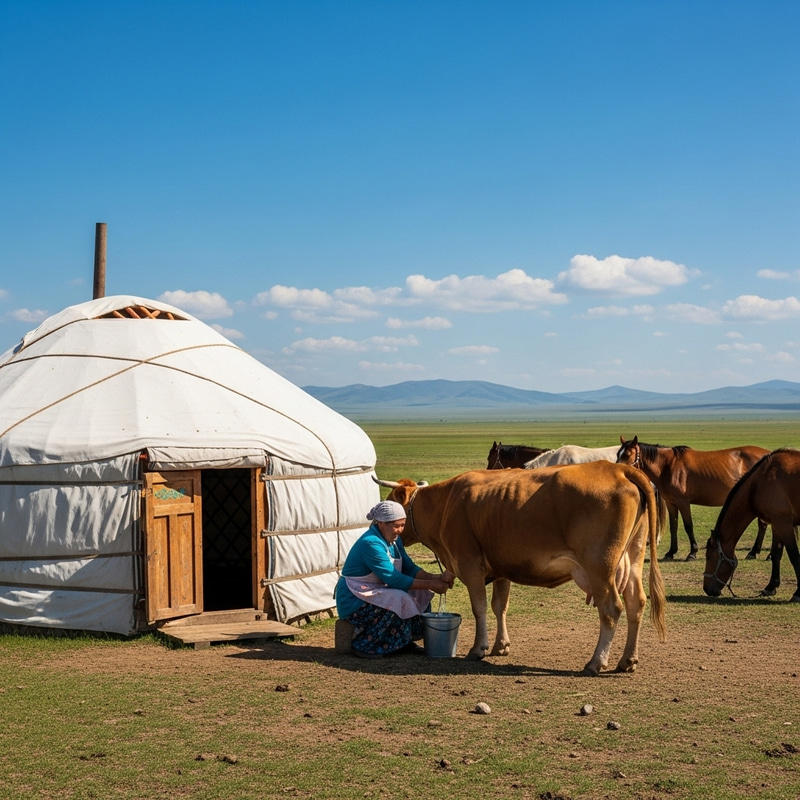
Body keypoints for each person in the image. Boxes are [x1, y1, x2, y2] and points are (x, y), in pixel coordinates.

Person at [336, 499, 455, 659]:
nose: (400, 530)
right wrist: (433, 584)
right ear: (381, 523)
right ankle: (365, 646)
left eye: (402, 525)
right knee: (399, 598)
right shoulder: (371, 543)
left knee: (421, 593)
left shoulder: (394, 540)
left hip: (376, 591)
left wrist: (437, 578)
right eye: (396, 525)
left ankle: (404, 641)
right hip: (354, 599)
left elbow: (409, 568)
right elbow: (394, 579)